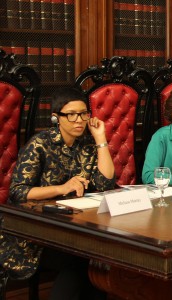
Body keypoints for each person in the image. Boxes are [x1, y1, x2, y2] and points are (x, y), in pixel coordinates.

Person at [8, 87, 115, 299]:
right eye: (71, 114)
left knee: (98, 258)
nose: (79, 120)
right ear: (56, 118)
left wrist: (100, 139)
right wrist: (62, 188)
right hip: (35, 232)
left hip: (74, 227)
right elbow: (18, 192)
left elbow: (105, 183)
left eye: (84, 113)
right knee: (81, 260)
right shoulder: (40, 144)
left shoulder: (86, 143)